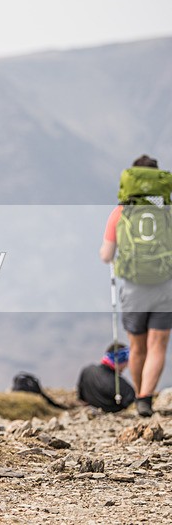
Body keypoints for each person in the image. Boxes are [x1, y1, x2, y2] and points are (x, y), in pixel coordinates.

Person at [100, 155, 172, 418]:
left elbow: (107, 255)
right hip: (165, 288)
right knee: (158, 346)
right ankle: (145, 398)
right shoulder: (168, 210)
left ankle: (140, 394)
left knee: (138, 347)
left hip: (133, 289)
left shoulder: (121, 212)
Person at [77, 343, 136, 413]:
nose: (126, 365)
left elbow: (81, 396)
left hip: (92, 407)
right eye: (126, 361)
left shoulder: (87, 370)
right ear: (120, 359)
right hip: (111, 412)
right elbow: (131, 401)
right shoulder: (120, 384)